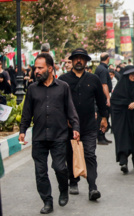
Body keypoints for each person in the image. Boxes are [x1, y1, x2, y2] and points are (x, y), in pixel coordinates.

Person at [19, 53, 80, 214]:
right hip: (39, 137)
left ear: (50, 68)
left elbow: (71, 110)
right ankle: (47, 201)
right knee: (40, 173)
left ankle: (63, 189)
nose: (36, 71)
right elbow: (27, 113)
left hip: (59, 136)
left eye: (40, 68)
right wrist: (22, 131)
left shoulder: (63, 87)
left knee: (60, 168)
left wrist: (75, 128)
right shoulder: (32, 89)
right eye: (35, 68)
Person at [59, 48, 108, 201]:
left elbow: (101, 101)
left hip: (88, 125)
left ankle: (92, 187)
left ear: (86, 61)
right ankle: (73, 180)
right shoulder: (63, 79)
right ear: (72, 61)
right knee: (70, 154)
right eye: (76, 58)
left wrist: (104, 118)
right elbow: (58, 102)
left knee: (90, 155)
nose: (79, 61)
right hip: (69, 126)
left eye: (82, 58)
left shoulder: (93, 79)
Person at [94, 53, 113, 145]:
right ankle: (100, 136)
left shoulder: (101, 68)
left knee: (104, 115)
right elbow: (104, 84)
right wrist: (108, 98)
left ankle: (103, 136)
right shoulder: (103, 69)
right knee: (102, 116)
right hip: (102, 96)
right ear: (108, 58)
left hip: (101, 95)